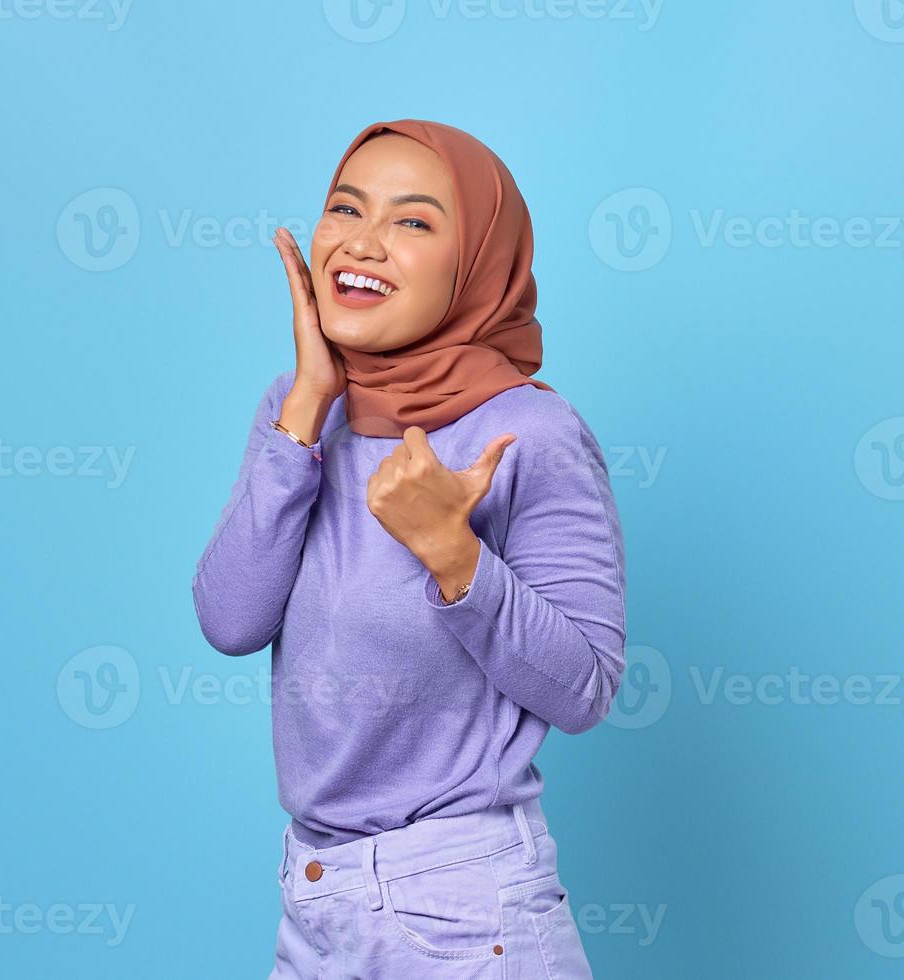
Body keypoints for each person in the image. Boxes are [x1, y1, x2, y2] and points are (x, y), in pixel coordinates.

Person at [191, 118, 626, 978]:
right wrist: (309, 404)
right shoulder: (299, 409)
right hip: (314, 898)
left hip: (464, 909)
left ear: (476, 266)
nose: (364, 241)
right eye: (346, 208)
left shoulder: (529, 430)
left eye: (414, 222)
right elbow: (231, 621)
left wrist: (454, 559)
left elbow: (585, 688)